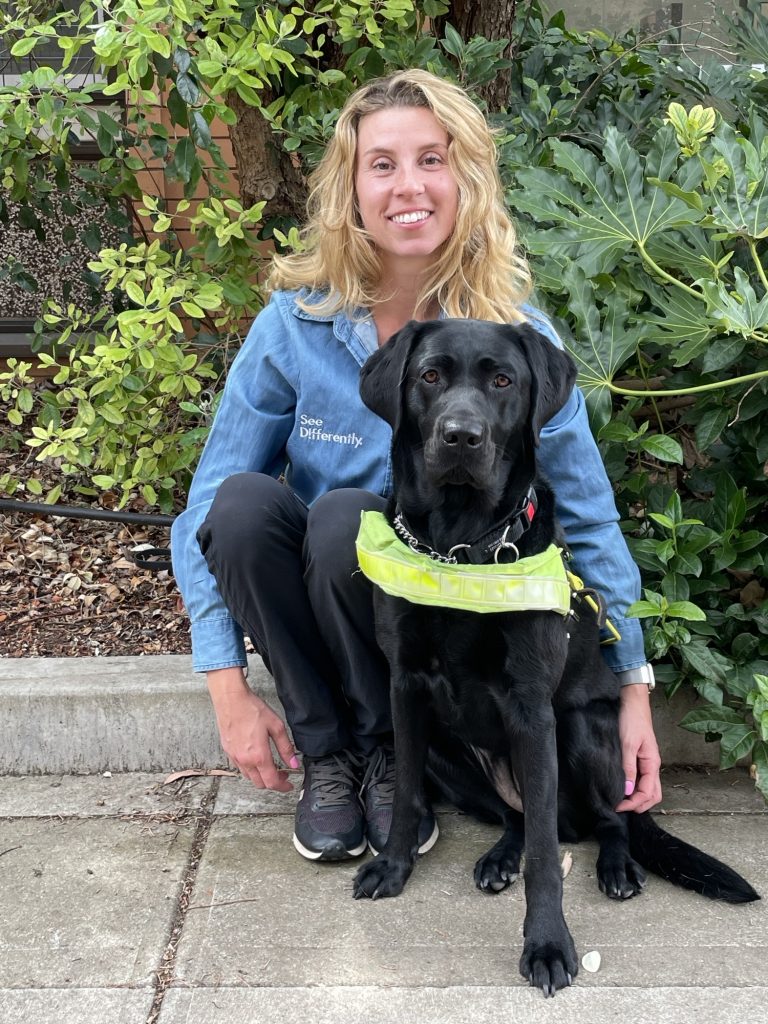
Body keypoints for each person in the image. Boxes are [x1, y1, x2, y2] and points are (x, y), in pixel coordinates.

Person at [170, 68, 662, 863]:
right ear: (352, 189)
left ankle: (397, 762)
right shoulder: (293, 328)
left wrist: (631, 682)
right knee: (244, 505)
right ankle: (330, 754)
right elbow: (203, 515)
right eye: (383, 163)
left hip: (432, 650)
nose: (410, 186)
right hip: (324, 620)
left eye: (432, 160)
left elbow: (588, 510)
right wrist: (226, 685)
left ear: (465, 179)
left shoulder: (518, 342)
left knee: (346, 518)